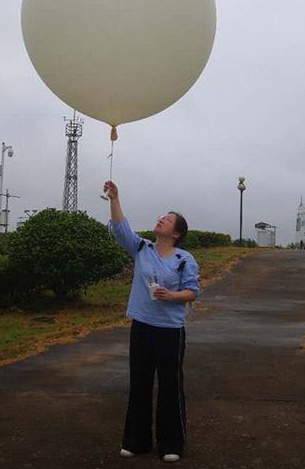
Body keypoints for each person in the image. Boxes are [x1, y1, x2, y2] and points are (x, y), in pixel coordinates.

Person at [103, 180, 200, 463]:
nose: (161, 220)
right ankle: (136, 441)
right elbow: (121, 228)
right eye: (161, 217)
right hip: (142, 326)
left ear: (177, 232)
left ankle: (172, 444)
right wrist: (115, 198)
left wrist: (170, 295)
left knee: (170, 386)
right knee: (140, 383)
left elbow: (192, 292)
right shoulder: (141, 248)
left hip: (170, 331)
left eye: (168, 220)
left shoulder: (185, 259)